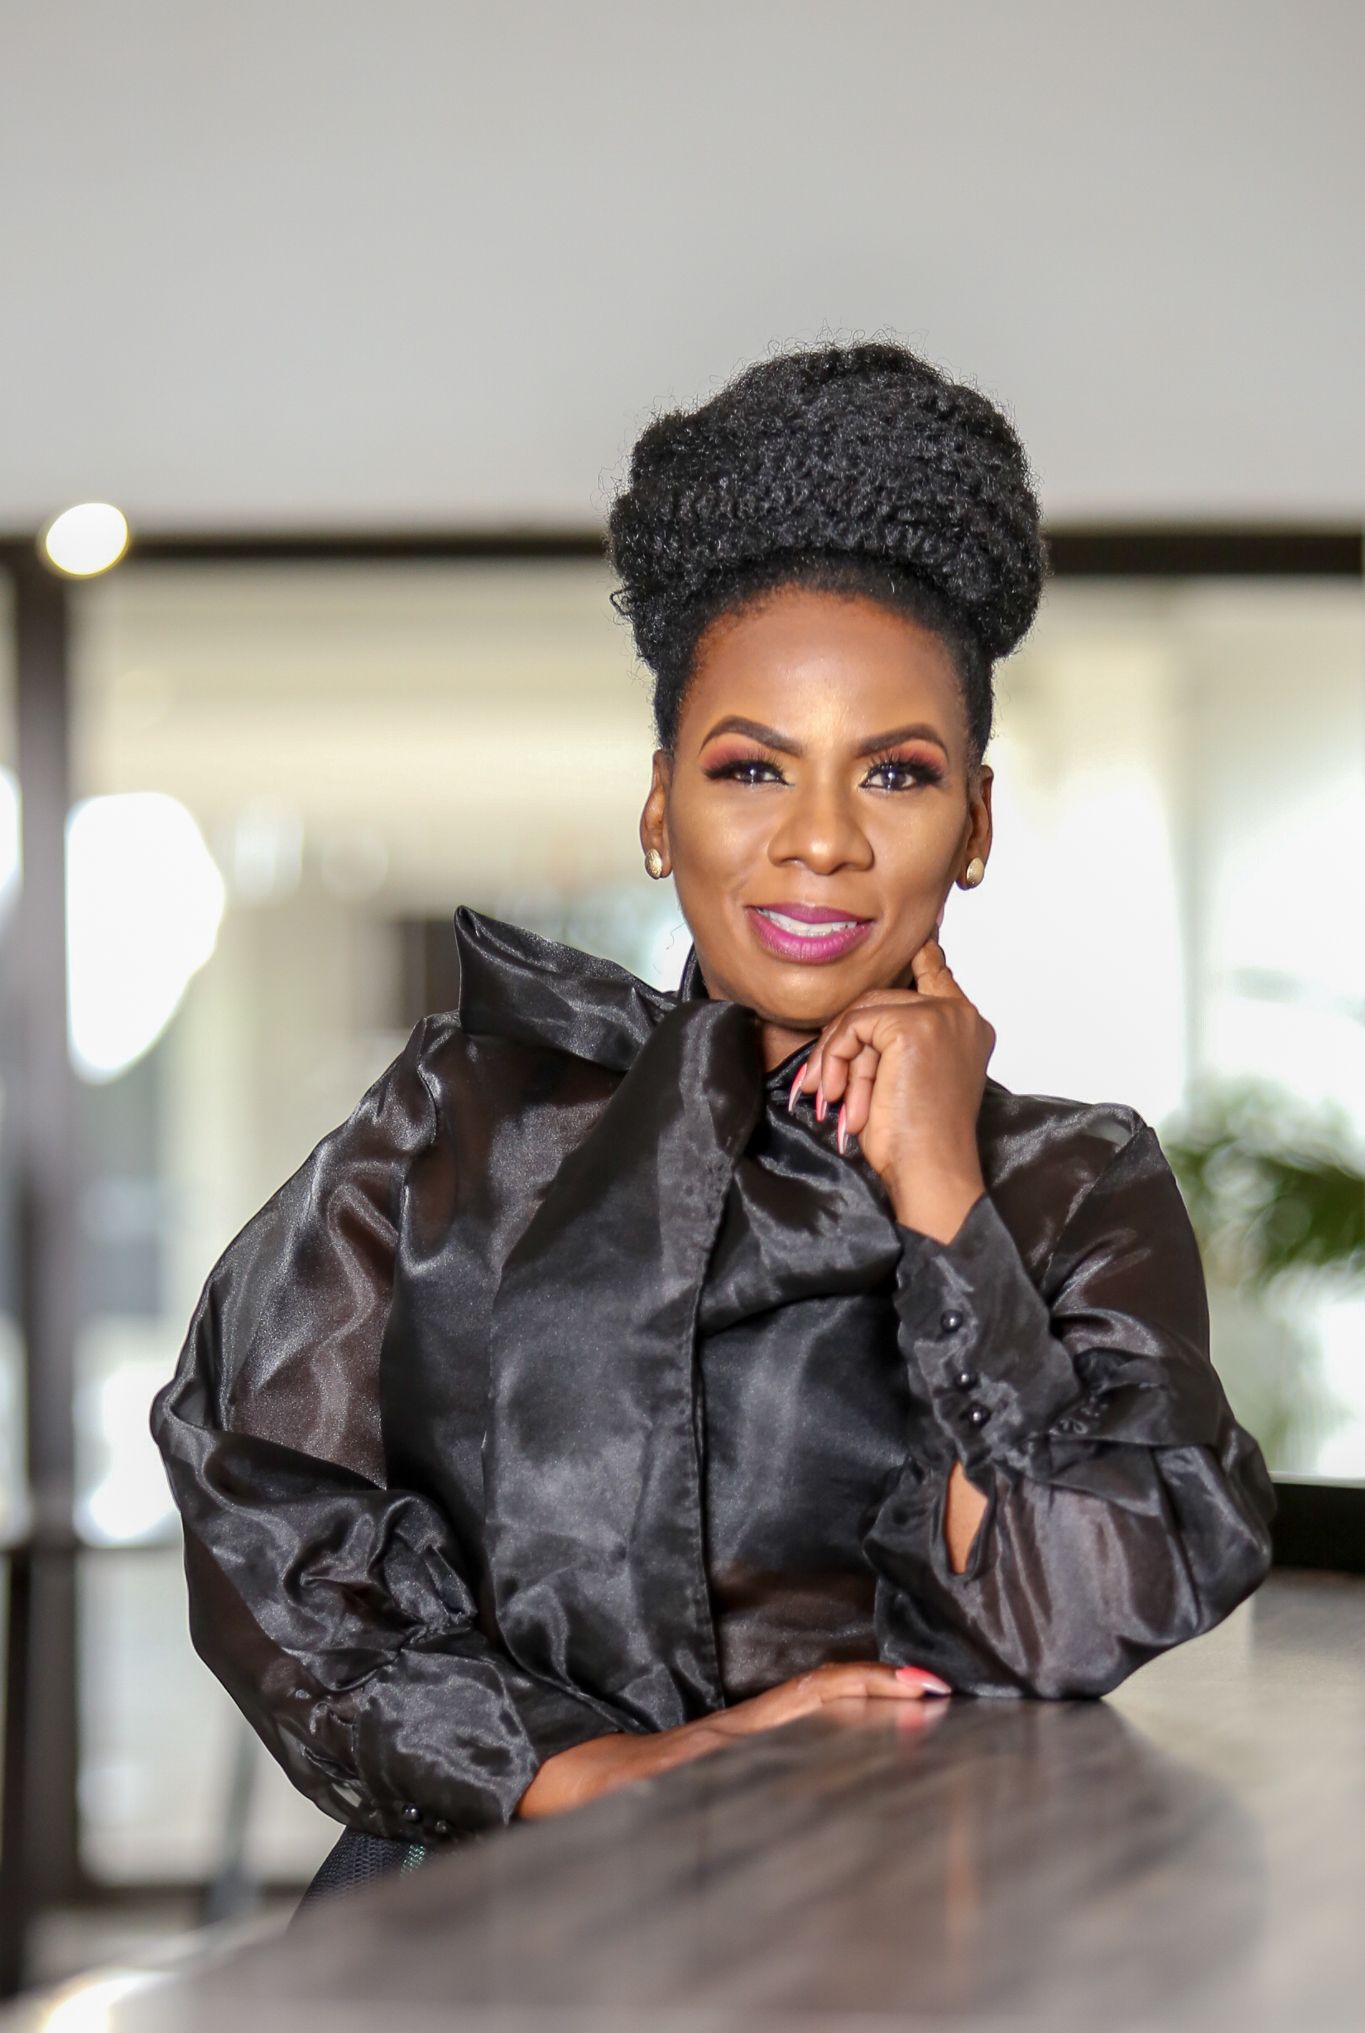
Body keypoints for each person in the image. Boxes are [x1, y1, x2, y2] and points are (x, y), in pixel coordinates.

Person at [151, 340, 1275, 1898]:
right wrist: (564, 1765)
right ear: (660, 804)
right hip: (487, 1924)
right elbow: (260, 1495)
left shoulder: (1071, 1182)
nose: (817, 840)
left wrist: (943, 1187)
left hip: (894, 1932)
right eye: (752, 767)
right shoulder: (455, 1124)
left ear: (976, 825)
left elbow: (1068, 1617)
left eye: (894, 772)